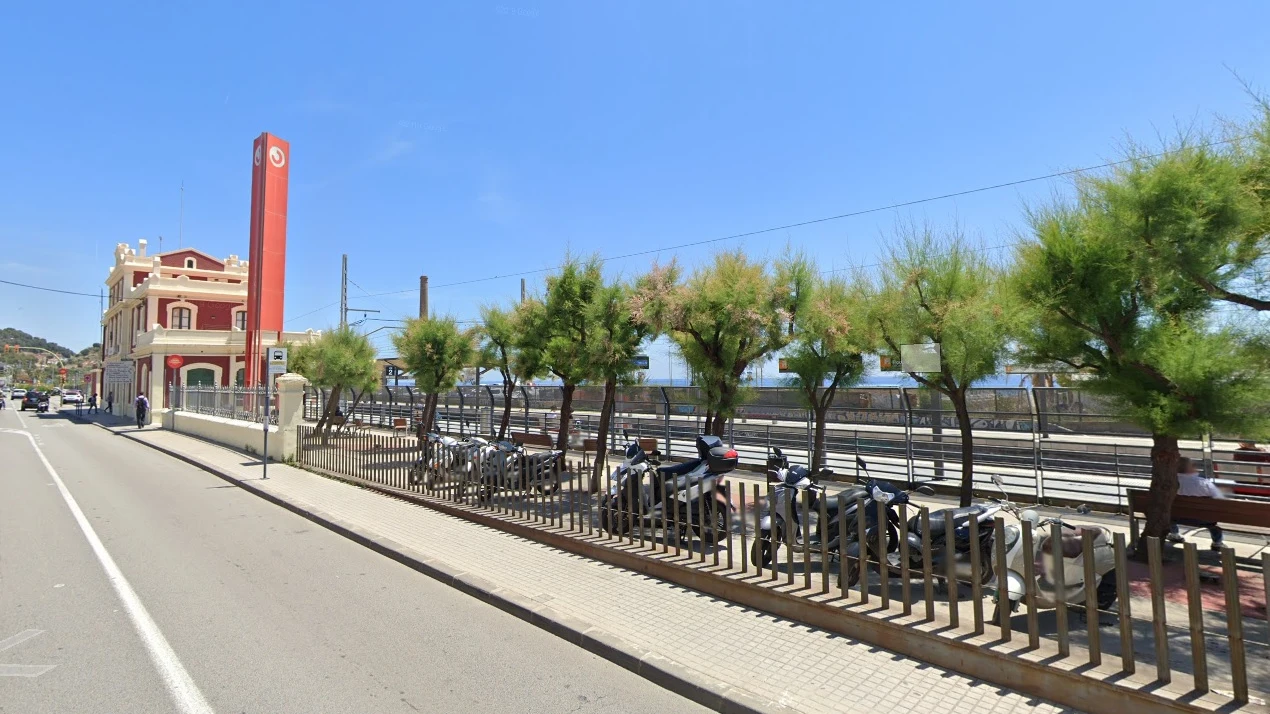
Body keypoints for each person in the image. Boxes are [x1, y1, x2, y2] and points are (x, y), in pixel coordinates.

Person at [1168, 457, 1226, 551]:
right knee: (1214, 525)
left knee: (1172, 512)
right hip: (1204, 520)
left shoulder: (1168, 483)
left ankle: (1174, 534)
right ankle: (1217, 542)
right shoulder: (1204, 483)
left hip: (1175, 517)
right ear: (1190, 468)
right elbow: (1220, 500)